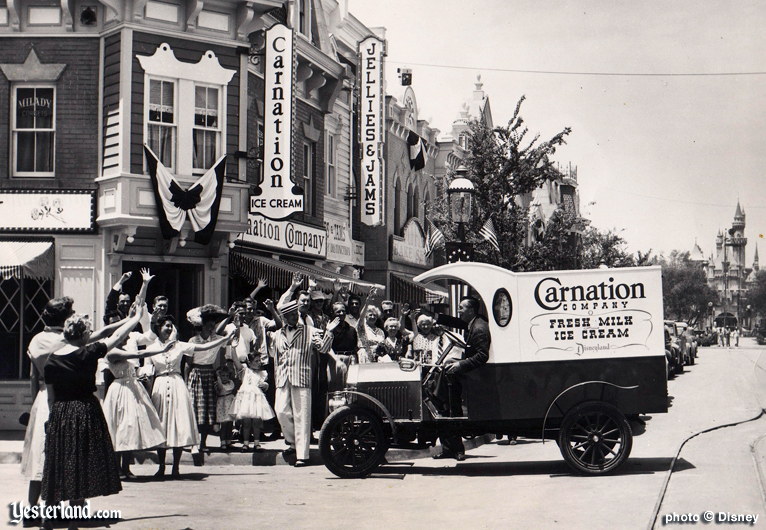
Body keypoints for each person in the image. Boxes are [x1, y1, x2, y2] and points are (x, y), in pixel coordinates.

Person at [41, 303, 144, 508]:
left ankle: (52, 512)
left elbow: (51, 398)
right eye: (88, 331)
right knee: (81, 461)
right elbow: (114, 338)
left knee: (60, 459)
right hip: (84, 409)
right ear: (82, 334)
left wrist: (52, 418)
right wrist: (136, 318)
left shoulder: (52, 360)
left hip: (61, 412)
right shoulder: (88, 353)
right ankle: (75, 509)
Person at [145, 314, 236, 478]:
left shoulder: (179, 345)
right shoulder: (151, 348)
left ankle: (176, 468)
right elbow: (148, 373)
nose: (169, 329)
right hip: (159, 386)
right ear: (158, 328)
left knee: (178, 426)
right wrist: (149, 395)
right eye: (166, 326)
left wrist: (226, 338)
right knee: (162, 426)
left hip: (177, 385)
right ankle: (161, 467)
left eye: (171, 326)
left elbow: (204, 348)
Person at [270, 300, 337, 467]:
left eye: (295, 314)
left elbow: (323, 349)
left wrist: (328, 332)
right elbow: (275, 358)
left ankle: (302, 454)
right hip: (283, 378)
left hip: (301, 377)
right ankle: (292, 443)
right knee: (281, 411)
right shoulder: (277, 334)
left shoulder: (310, 331)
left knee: (302, 416)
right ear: (284, 318)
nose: (294, 318)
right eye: (290, 315)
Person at [433, 296, 491, 461]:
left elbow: (482, 356)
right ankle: (449, 448)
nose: (458, 311)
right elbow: (457, 323)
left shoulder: (479, 328)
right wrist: (435, 317)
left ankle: (457, 449)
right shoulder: (474, 323)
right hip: (469, 374)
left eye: (461, 308)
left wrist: (460, 365)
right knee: (446, 408)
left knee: (451, 410)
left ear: (471, 310)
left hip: (473, 378)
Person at [186, 304, 229, 462]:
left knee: (207, 411)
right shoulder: (193, 340)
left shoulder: (217, 339)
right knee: (194, 410)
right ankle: (193, 443)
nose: (211, 326)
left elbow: (228, 338)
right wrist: (185, 382)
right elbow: (188, 363)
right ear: (202, 324)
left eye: (213, 324)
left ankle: (203, 442)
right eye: (209, 323)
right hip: (196, 374)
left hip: (209, 373)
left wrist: (231, 318)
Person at [230, 344, 275, 451]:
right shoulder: (245, 370)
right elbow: (236, 361)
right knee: (246, 423)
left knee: (256, 422)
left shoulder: (262, 373)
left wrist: (265, 385)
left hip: (256, 400)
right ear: (249, 362)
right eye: (256, 361)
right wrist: (233, 348)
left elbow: (263, 386)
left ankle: (256, 443)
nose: (259, 363)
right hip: (246, 400)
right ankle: (245, 443)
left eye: (260, 361)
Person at [215, 366, 237, 451]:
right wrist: (218, 378)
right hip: (222, 405)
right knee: (224, 424)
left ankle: (229, 440)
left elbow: (232, 389)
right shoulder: (218, 384)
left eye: (227, 376)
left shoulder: (230, 383)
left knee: (230, 424)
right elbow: (221, 389)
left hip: (229, 404)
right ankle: (223, 441)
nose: (225, 378)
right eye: (223, 376)